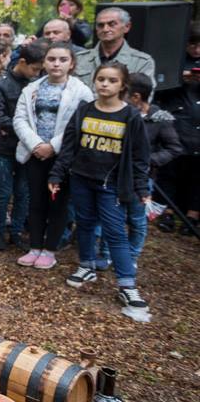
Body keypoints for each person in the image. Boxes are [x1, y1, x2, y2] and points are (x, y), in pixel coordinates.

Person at [51, 62, 152, 321]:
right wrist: (57, 175)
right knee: (84, 224)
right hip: (81, 179)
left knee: (115, 231)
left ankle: (127, 284)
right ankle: (86, 265)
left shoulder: (130, 116)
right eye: (101, 79)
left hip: (112, 186)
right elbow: (69, 147)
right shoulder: (84, 110)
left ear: (123, 85)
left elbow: (140, 156)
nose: (105, 84)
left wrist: (141, 187)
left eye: (112, 80)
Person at [13, 42, 94, 269]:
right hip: (35, 154)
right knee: (36, 201)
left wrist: (53, 146)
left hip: (63, 157)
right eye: (51, 59)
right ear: (44, 62)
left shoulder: (81, 92)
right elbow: (20, 119)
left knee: (58, 203)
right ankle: (35, 246)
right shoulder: (31, 89)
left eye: (62, 59)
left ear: (72, 63)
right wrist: (36, 144)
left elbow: (79, 124)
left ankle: (50, 250)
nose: (56, 64)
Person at [91, 71, 181, 267]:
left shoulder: (159, 120)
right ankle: (105, 254)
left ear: (135, 97)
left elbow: (173, 148)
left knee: (136, 220)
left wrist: (148, 160)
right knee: (111, 216)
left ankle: (131, 257)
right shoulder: (119, 113)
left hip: (141, 179)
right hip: (113, 176)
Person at [0, 42, 44, 250]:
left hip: (29, 149)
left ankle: (16, 232)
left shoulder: (37, 84)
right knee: (3, 191)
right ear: (22, 62)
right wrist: (23, 129)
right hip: (5, 148)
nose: (37, 73)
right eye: (34, 69)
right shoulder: (1, 84)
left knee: (23, 192)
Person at [156, 26, 200, 234]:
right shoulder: (175, 60)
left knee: (196, 174)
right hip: (177, 123)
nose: (197, 49)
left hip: (197, 128)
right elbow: (158, 87)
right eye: (193, 44)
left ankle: (193, 214)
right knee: (170, 169)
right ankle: (167, 211)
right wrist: (180, 78)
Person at [75, 7, 155, 86]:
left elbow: (142, 93)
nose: (105, 29)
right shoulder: (79, 59)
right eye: (100, 25)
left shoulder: (141, 62)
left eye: (112, 24)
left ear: (127, 27)